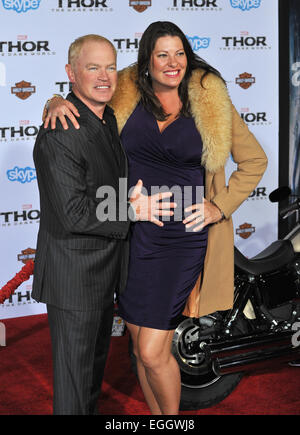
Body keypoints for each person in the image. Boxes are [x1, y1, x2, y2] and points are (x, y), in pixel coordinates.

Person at [43, 22, 268, 415]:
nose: (173, 63)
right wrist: (54, 101)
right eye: (162, 54)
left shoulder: (208, 99)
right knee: (137, 345)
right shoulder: (126, 92)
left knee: (151, 351)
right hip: (132, 233)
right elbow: (87, 96)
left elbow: (255, 160)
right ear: (146, 60)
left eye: (179, 53)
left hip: (183, 239)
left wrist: (219, 206)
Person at [32, 34, 175, 415]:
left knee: (90, 381)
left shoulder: (107, 115)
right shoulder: (60, 131)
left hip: (102, 273)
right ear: (70, 73)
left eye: (110, 66)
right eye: (92, 67)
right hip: (74, 279)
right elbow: (74, 212)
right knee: (74, 389)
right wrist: (131, 211)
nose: (104, 76)